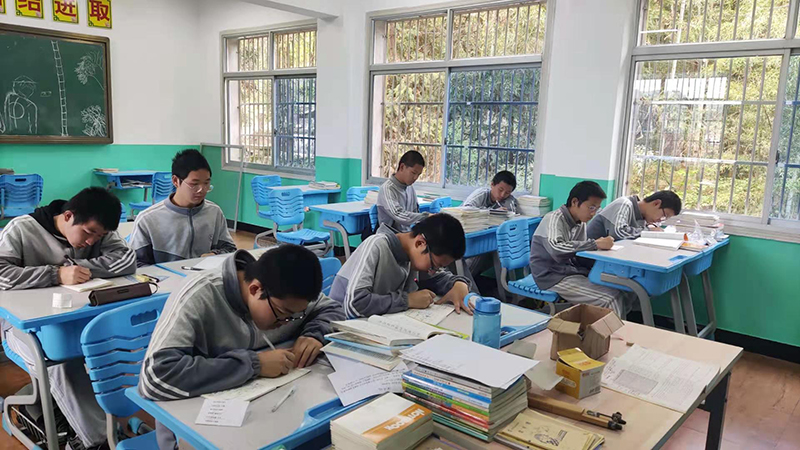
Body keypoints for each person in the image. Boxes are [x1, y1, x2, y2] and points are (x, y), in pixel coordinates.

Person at [139, 245, 344, 449]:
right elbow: (155, 378)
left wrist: (314, 335)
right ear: (255, 289)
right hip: (194, 431)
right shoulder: (200, 295)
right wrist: (255, 365)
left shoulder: (287, 290)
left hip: (266, 415)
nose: (287, 321)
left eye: (296, 315)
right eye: (283, 314)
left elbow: (331, 308)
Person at [0, 187, 136, 450]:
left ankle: (109, 426)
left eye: (99, 236)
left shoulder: (98, 227)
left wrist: (80, 269)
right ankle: (98, 441)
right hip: (22, 330)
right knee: (60, 362)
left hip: (78, 325)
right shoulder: (22, 229)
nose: (91, 241)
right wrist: (56, 275)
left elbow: (127, 260)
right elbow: (1, 274)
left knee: (113, 352)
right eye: (88, 233)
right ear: (68, 216)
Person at [330, 213, 474, 319]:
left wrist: (459, 284)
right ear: (420, 243)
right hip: (342, 325)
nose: (432, 272)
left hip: (378, 324)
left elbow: (439, 278)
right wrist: (407, 300)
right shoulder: (376, 245)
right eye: (434, 266)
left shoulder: (414, 255)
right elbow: (354, 305)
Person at [529, 181, 634, 317]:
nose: (593, 213)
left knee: (625, 291)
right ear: (575, 202)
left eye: (597, 209)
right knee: (611, 299)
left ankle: (597, 326)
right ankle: (613, 331)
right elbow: (557, 249)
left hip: (570, 271)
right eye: (591, 207)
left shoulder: (580, 222)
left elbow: (580, 252)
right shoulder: (554, 219)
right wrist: (595, 244)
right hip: (551, 276)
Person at [129, 149, 236, 266]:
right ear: (175, 181)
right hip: (164, 277)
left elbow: (230, 249)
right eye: (194, 184)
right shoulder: (148, 219)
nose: (201, 190)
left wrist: (215, 255)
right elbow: (136, 263)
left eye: (206, 183)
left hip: (205, 276)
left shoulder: (214, 212)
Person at [461, 170, 520, 294]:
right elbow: (466, 211)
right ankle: (462, 284)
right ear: (492, 184)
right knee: (479, 255)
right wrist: (492, 212)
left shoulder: (506, 199)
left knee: (494, 252)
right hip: (465, 236)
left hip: (482, 237)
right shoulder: (482, 194)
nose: (502, 195)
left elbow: (513, 212)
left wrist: (508, 205)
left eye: (507, 192)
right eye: (500, 189)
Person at [587, 190, 682, 241]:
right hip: (587, 257)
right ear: (656, 203)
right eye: (664, 215)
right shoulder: (624, 204)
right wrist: (649, 231)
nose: (660, 220)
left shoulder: (643, 218)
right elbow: (618, 233)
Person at [377, 150, 428, 232]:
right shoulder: (387, 189)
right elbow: (399, 215)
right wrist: (426, 216)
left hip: (408, 234)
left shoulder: (410, 188)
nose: (415, 178)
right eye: (413, 173)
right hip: (391, 236)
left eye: (418, 175)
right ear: (402, 167)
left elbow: (415, 212)